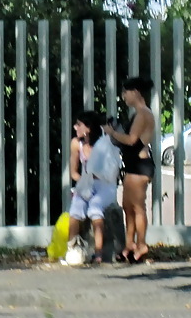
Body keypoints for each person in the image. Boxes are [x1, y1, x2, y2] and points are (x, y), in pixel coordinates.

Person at [104, 76, 156, 263]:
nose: (123, 96)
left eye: (126, 92)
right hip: (132, 165)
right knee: (127, 207)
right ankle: (129, 245)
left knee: (137, 207)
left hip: (140, 166)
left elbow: (132, 140)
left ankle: (141, 245)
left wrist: (112, 133)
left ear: (135, 92)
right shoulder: (138, 113)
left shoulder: (143, 114)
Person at [66, 110, 116, 264]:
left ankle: (98, 253)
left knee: (95, 207)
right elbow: (74, 172)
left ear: (88, 128)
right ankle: (72, 249)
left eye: (78, 125)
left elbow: (110, 172)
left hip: (105, 185)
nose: (75, 128)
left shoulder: (104, 144)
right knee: (76, 208)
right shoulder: (76, 144)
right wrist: (83, 183)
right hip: (86, 183)